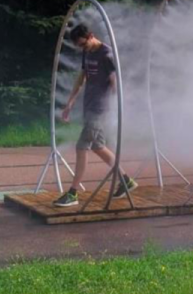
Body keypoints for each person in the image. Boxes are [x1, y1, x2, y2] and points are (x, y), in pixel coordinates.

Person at [53, 24, 137, 207]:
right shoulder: (88, 52)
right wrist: (70, 103)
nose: (83, 49)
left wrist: (115, 103)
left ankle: (73, 193)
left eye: (84, 44)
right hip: (89, 106)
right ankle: (126, 181)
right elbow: (82, 77)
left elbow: (116, 83)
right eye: (80, 47)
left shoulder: (107, 55)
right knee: (98, 147)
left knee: (81, 146)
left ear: (91, 36)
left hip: (100, 109)